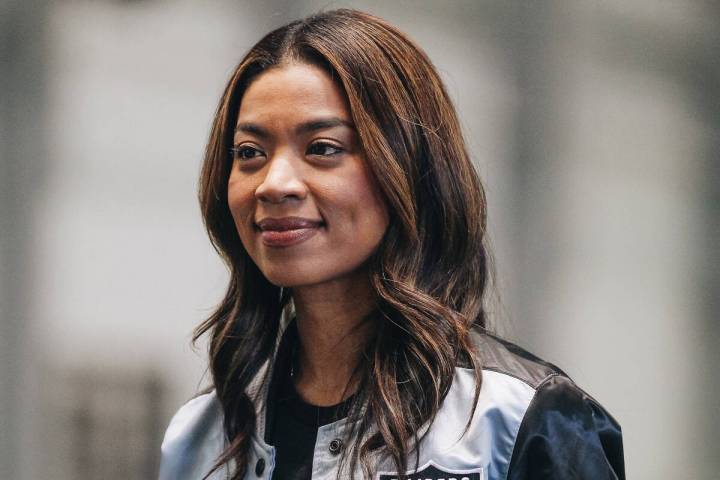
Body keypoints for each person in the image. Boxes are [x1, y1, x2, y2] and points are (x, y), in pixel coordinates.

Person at [159, 8, 624, 480]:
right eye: (249, 154)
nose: (274, 184)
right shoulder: (203, 435)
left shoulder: (519, 419)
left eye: (323, 148)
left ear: (409, 168)